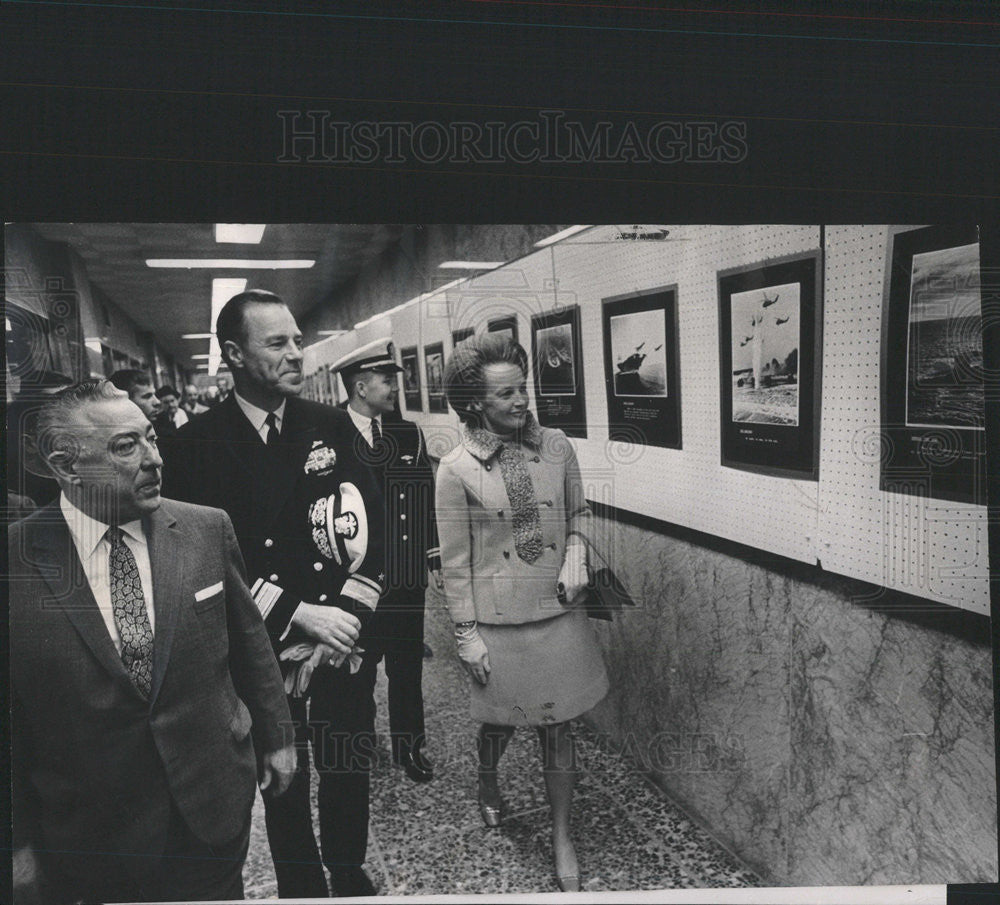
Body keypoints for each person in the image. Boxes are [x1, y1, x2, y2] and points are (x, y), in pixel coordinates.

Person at [9, 379, 294, 904]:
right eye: (126, 446)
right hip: (90, 834)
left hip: (210, 807)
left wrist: (277, 736)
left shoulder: (206, 529)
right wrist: (16, 841)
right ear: (67, 466)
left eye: (152, 438)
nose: (154, 458)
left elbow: (250, 642)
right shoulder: (15, 560)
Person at [159, 289, 386, 898]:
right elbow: (196, 563)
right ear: (233, 354)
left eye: (297, 340)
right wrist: (299, 614)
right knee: (283, 770)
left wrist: (345, 619)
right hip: (262, 643)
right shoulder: (193, 446)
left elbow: (374, 529)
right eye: (277, 343)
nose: (296, 355)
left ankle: (345, 863)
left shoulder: (331, 425)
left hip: (342, 636)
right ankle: (300, 881)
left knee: (347, 757)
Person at [436, 334, 609, 892]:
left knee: (559, 726)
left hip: (557, 611)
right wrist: (465, 635)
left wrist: (578, 552)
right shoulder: (455, 469)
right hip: (499, 622)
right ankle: (488, 778)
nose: (520, 402)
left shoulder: (557, 445)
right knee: (501, 725)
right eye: (504, 394)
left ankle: (562, 834)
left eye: (522, 388)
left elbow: (580, 511)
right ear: (474, 403)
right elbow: (456, 564)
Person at [333, 338, 443, 784]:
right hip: (355, 582)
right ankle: (359, 741)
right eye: (386, 379)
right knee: (358, 669)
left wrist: (431, 556)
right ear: (360, 386)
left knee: (406, 665)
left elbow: (422, 496)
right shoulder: (328, 434)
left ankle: (409, 746)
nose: (395, 387)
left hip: (404, 576)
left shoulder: (406, 433)